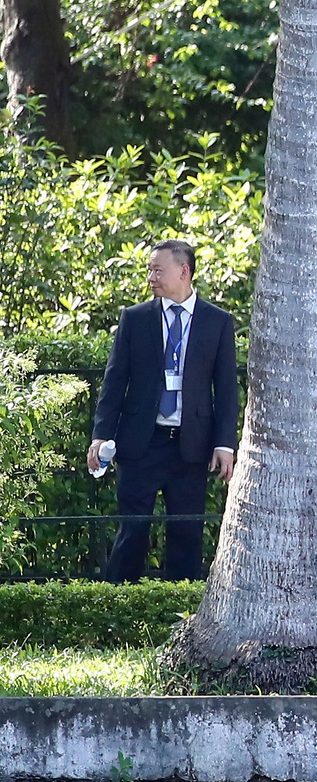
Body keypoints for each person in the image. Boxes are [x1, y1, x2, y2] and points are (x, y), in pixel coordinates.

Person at [88, 240, 238, 583]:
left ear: (184, 271)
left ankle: (179, 611)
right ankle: (117, 607)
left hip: (191, 445)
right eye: (149, 270)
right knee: (133, 532)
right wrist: (101, 435)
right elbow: (115, 382)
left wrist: (224, 444)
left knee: (186, 534)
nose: (151, 277)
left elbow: (227, 387)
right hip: (141, 442)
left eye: (158, 270)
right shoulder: (136, 318)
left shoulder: (217, 322)